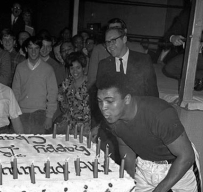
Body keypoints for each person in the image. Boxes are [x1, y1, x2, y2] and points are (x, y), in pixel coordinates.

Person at [92, 27, 159, 162]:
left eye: (113, 41)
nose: (110, 46)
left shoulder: (143, 60)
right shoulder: (104, 65)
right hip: (112, 127)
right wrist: (97, 125)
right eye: (107, 42)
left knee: (136, 168)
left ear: (124, 39)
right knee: (108, 164)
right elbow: (100, 99)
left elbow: (152, 94)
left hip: (139, 124)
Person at [12, 36, 58, 134]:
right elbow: (15, 92)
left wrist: (49, 117)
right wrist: (14, 113)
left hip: (40, 113)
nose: (33, 52)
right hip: (22, 112)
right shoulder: (20, 67)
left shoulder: (48, 69)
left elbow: (52, 94)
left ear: (40, 49)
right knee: (22, 144)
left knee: (38, 144)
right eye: (30, 48)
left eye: (36, 48)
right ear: (26, 49)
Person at [87, 17, 146, 89]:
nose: (112, 32)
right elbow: (92, 80)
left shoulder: (137, 49)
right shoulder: (99, 50)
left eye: (117, 29)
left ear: (125, 32)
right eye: (110, 29)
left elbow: (145, 82)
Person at [56, 52, 90, 136]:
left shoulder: (90, 83)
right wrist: (61, 99)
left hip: (87, 127)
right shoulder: (66, 83)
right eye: (72, 68)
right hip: (70, 126)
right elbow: (64, 109)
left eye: (78, 67)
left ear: (83, 68)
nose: (75, 71)